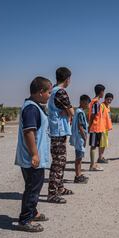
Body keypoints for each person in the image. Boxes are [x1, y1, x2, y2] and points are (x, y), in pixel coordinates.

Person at [15, 76, 52, 232]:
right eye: (49, 92)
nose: (50, 95)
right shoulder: (31, 108)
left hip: (34, 157)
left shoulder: (35, 106)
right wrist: (35, 155)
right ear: (41, 92)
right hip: (32, 158)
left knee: (34, 186)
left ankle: (33, 212)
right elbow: (29, 132)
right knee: (32, 189)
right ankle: (25, 220)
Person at [47, 67, 74, 204]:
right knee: (58, 162)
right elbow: (71, 112)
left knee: (61, 161)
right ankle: (52, 193)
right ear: (67, 79)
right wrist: (68, 111)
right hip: (58, 131)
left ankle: (60, 188)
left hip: (57, 130)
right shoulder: (61, 92)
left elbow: (67, 111)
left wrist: (67, 111)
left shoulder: (52, 90)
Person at [70, 94, 91, 184]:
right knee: (78, 158)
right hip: (80, 138)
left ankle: (79, 174)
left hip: (79, 137)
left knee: (80, 157)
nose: (88, 105)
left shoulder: (77, 111)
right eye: (87, 103)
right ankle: (77, 176)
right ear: (82, 102)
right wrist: (85, 137)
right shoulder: (80, 112)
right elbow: (80, 126)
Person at [88, 84, 106, 171]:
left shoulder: (96, 102)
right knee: (93, 146)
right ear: (101, 92)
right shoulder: (96, 102)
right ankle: (92, 165)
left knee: (94, 146)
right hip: (95, 127)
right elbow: (92, 115)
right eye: (103, 92)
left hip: (98, 128)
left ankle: (93, 164)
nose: (104, 94)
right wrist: (90, 125)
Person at [98, 93, 114, 163]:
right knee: (102, 143)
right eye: (108, 99)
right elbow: (98, 117)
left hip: (106, 128)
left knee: (104, 143)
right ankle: (100, 158)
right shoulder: (102, 106)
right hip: (102, 128)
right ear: (105, 98)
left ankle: (101, 157)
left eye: (111, 100)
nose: (109, 101)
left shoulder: (108, 106)